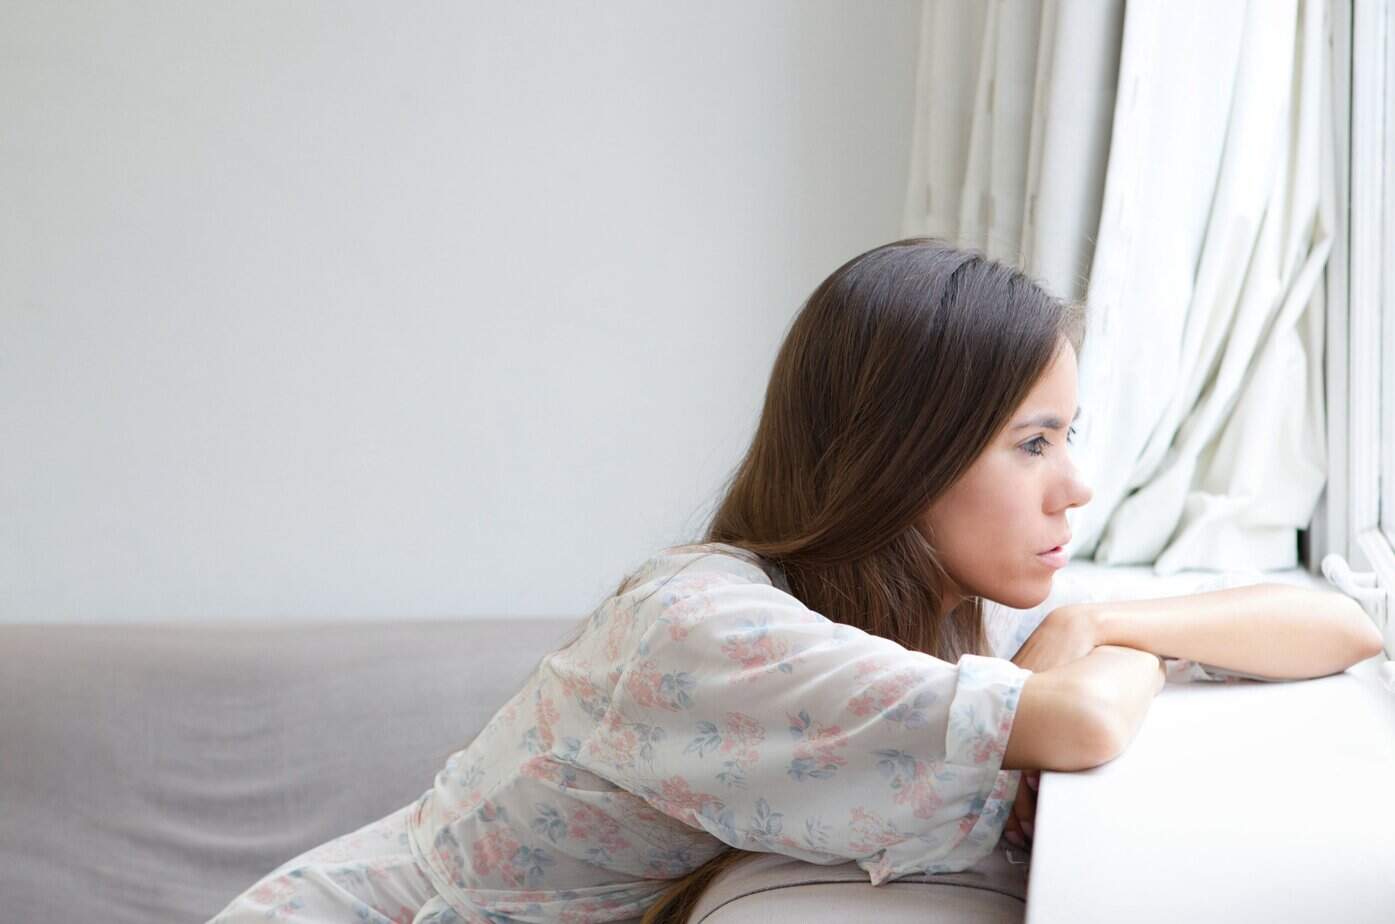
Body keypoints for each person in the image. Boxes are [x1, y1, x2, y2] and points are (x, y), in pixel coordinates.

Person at [209, 238, 1378, 924]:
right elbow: (1073, 725)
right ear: (901, 452)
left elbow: (1342, 628)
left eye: (1068, 436)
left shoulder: (898, 619)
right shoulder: (705, 625)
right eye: (1032, 443)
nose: (1075, 486)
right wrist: (1083, 644)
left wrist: (1105, 616)